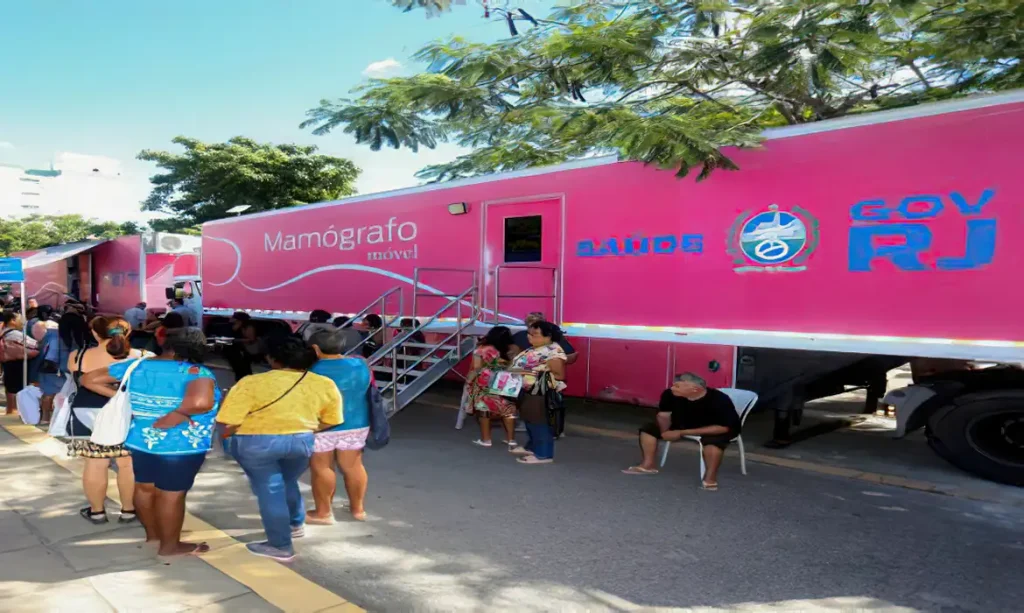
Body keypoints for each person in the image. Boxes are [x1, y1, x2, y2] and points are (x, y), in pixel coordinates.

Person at [82, 327, 220, 556]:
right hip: (180, 446)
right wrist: (176, 415)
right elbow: (201, 403)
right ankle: (170, 546)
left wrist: (124, 399)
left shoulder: (137, 365)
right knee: (172, 494)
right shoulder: (196, 371)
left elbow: (90, 379)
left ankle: (154, 535)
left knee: (145, 488)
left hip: (141, 440)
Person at [217, 336, 343, 562]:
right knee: (287, 481)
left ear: (271, 359)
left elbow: (229, 420)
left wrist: (227, 440)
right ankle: (295, 523)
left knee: (270, 489)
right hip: (301, 441)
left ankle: (280, 545)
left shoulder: (251, 383)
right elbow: (333, 419)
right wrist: (307, 429)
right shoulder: (324, 383)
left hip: (257, 443)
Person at [67, 316, 145, 524]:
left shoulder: (78, 356)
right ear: (127, 332)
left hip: (87, 411)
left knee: (95, 463)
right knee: (127, 463)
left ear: (94, 333)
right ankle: (129, 510)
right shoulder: (143, 356)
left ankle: (97, 512)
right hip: (127, 413)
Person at [622, 373, 741, 490]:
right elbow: (664, 415)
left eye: (677, 386)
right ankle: (648, 465)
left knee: (713, 442)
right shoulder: (669, 394)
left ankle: (710, 478)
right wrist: (665, 432)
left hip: (715, 427)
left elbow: (723, 427)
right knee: (648, 429)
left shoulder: (719, 399)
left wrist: (681, 433)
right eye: (673, 385)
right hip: (682, 423)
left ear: (695, 389)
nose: (673, 388)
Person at [306, 328, 373, 524]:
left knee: (322, 467)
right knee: (353, 466)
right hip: (356, 423)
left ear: (315, 348)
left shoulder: (312, 370)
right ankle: (358, 510)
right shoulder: (360, 365)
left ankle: (323, 513)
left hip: (322, 425)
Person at [508, 321, 567, 465]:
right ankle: (533, 447)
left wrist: (527, 372)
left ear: (548, 336)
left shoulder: (553, 351)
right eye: (529, 333)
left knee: (539, 421)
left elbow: (559, 375)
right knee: (530, 419)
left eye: (535, 334)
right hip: (528, 390)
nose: (530, 337)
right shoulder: (537, 348)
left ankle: (543, 454)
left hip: (540, 392)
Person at [463, 326, 518, 449]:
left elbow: (477, 368)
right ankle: (511, 440)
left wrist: (469, 379)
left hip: (485, 381)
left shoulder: (482, 349)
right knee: (507, 408)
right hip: (505, 380)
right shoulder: (512, 349)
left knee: (484, 410)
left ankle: (486, 439)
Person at [1, 311, 39, 415]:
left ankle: (10, 409)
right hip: (16, 363)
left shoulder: (3, 331)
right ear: (12, 321)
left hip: (8, 362)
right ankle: (14, 410)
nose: (22, 321)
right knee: (17, 387)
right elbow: (34, 344)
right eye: (19, 319)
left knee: (10, 386)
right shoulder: (14, 333)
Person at [509, 312, 578, 365]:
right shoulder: (519, 336)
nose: (533, 329)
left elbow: (572, 356)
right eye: (531, 325)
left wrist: (547, 362)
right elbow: (506, 354)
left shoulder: (553, 337)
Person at [225, 311, 261, 381]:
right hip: (235, 351)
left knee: (244, 369)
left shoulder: (248, 327)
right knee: (238, 369)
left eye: (234, 318)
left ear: (239, 320)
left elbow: (251, 339)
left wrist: (236, 340)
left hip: (244, 351)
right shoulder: (233, 326)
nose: (231, 319)